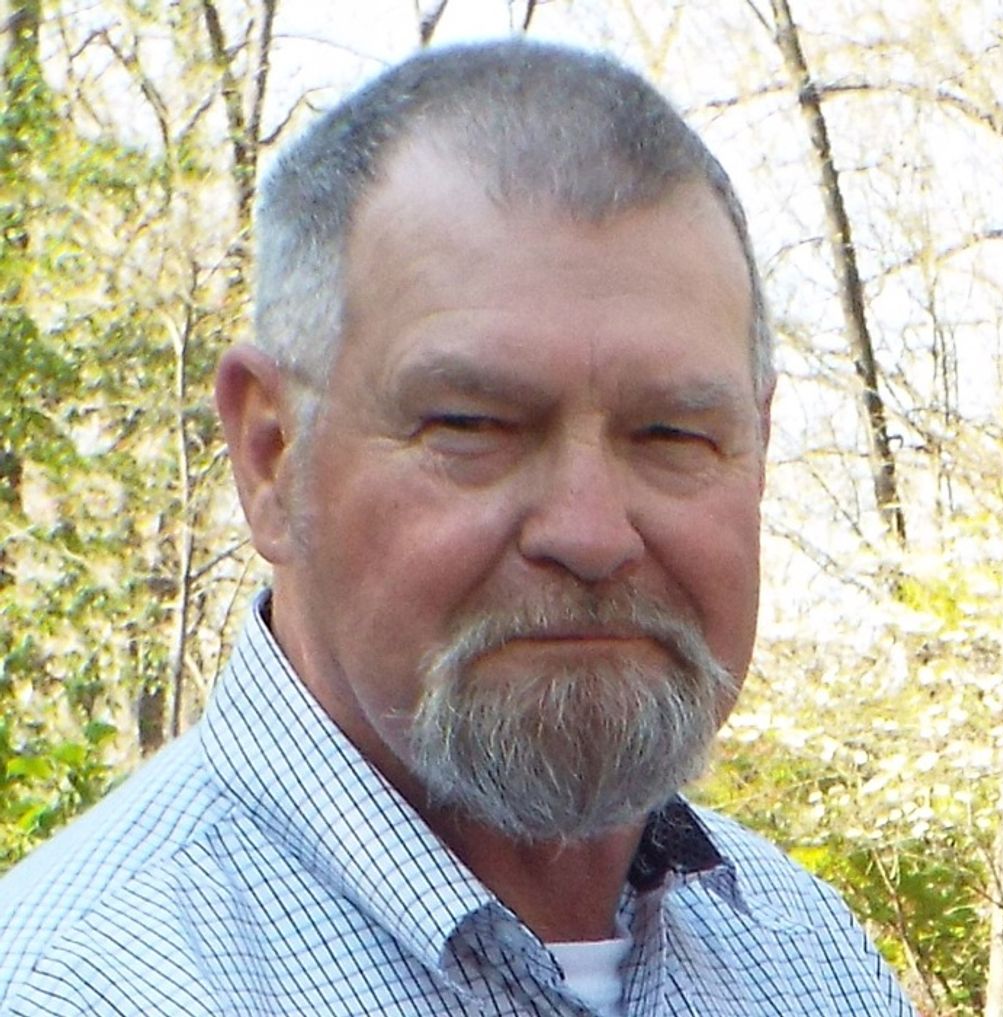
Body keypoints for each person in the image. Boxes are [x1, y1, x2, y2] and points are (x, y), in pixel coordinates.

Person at [0, 39, 915, 1017]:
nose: (591, 532)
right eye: (474, 426)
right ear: (271, 456)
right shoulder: (82, 986)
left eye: (673, 434)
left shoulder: (809, 961)